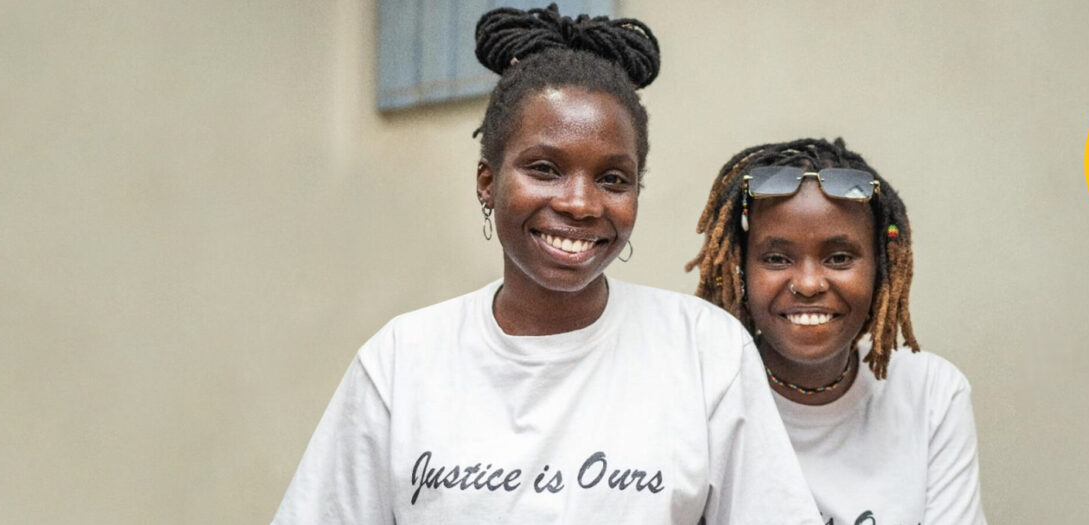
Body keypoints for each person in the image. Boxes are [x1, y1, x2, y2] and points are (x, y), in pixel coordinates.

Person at [272, 6, 820, 524]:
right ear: (488, 181)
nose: (580, 203)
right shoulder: (401, 362)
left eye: (612, 179)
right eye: (545, 168)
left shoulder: (705, 353)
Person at [686, 138, 988, 525]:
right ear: (740, 268)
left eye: (839, 258)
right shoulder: (701, 397)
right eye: (777, 259)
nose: (809, 283)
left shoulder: (932, 395)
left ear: (881, 267)